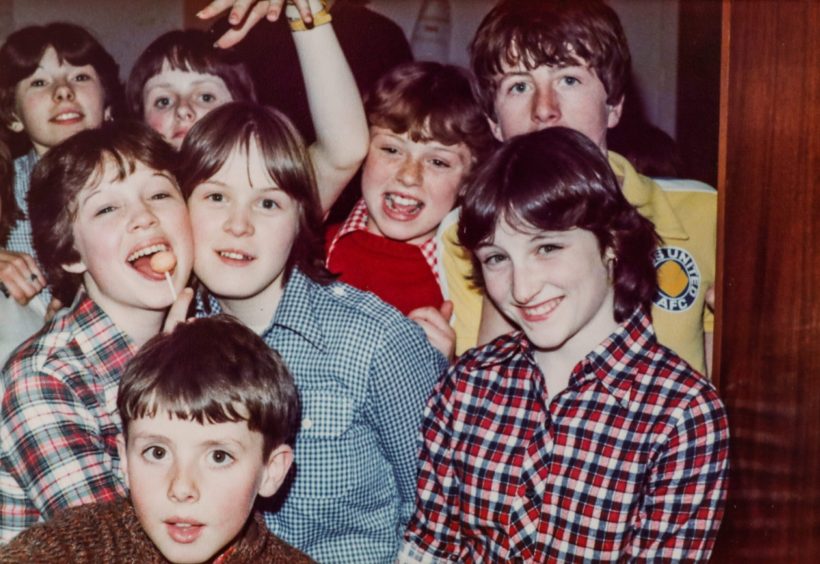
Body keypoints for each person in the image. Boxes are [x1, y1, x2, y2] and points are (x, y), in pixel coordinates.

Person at [400, 127, 730, 561]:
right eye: (497, 258)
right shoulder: (467, 384)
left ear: (611, 241)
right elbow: (430, 550)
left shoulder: (682, 414)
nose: (521, 288)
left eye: (547, 247)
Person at [175, 100, 446, 562]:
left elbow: (440, 513)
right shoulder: (170, 337)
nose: (239, 225)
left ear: (300, 218)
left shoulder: (375, 340)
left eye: (268, 203)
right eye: (216, 196)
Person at [450, 0, 716, 375]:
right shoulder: (461, 234)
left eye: (569, 79)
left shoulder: (706, 213)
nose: (545, 109)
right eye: (519, 86)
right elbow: (488, 387)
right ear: (493, 122)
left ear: (614, 104)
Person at [0, 121, 194, 543]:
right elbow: (115, 551)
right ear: (70, 253)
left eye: (160, 194)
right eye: (107, 208)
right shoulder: (43, 378)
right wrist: (168, 393)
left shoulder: (210, 336)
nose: (144, 217)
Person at [0, 315, 312, 562]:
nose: (181, 488)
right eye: (157, 452)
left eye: (219, 456)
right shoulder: (72, 547)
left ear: (271, 471)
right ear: (124, 459)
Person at [325, 61, 497, 359]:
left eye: (438, 162)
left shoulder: (470, 282)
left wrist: (445, 367)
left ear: (470, 180)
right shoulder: (314, 245)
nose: (408, 176)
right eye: (391, 150)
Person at [128, 0, 368, 213]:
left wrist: (304, 10)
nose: (182, 109)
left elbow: (345, 151)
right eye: (163, 101)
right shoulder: (139, 206)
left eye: (205, 97)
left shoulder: (270, 186)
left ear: (242, 108)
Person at [0, 22, 122, 311]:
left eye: (80, 77)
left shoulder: (143, 180)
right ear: (13, 116)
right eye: (39, 83)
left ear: (107, 105)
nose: (64, 92)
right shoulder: (4, 184)